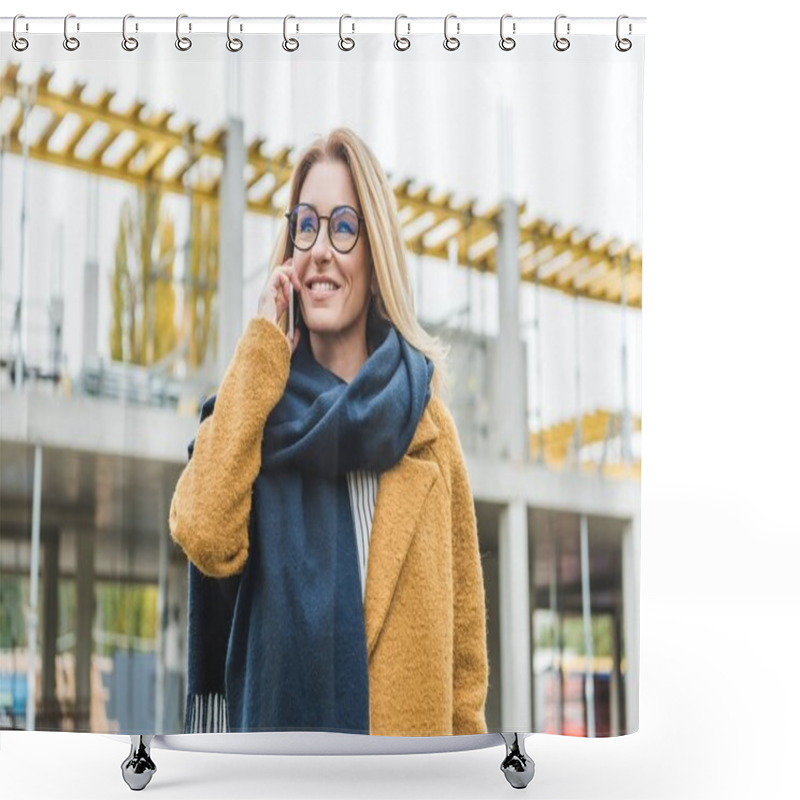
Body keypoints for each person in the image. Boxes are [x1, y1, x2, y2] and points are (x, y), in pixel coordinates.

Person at [169, 127, 488, 737]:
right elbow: (203, 529)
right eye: (305, 226)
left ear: (376, 253)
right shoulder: (252, 411)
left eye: (343, 226)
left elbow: (464, 670)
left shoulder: (429, 431)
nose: (320, 249)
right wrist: (262, 348)